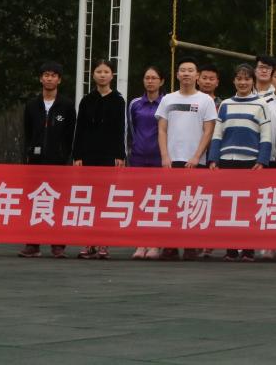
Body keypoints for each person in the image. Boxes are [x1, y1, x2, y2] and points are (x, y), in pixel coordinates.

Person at [208, 63, 273, 262]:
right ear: (234, 81)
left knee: (249, 206)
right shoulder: (225, 104)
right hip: (227, 161)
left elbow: (266, 135)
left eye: (247, 79)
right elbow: (217, 134)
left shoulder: (261, 104)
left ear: (253, 81)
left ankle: (248, 249)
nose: (243, 82)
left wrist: (262, 160)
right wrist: (213, 158)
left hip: (250, 162)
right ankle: (231, 249)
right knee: (228, 205)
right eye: (239, 78)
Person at [156, 58, 217, 261]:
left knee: (194, 202)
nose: (186, 74)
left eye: (191, 70)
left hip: (196, 160)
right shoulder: (168, 99)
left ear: (197, 75)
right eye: (183, 70)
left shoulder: (205, 100)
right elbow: (162, 129)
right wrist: (165, 155)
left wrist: (197, 155)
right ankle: (170, 245)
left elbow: (208, 130)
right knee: (171, 203)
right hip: (172, 159)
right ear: (177, 75)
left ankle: (191, 244)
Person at [72, 59, 127, 260]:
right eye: (98, 71)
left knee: (105, 199)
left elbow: (120, 129)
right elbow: (80, 129)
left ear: (112, 75)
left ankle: (104, 242)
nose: (102, 75)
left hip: (109, 155)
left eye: (106, 72)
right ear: (93, 74)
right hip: (88, 154)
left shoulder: (118, 100)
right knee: (88, 199)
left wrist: (120, 155)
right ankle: (89, 242)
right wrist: (77, 155)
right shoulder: (86, 100)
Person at [19, 61, 75, 258]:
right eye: (46, 75)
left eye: (53, 75)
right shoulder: (31, 105)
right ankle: (32, 244)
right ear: (40, 78)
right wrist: (28, 153)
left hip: (58, 162)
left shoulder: (66, 105)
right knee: (35, 201)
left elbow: (70, 134)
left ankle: (58, 245)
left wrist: (65, 155)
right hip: (35, 161)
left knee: (57, 201)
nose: (49, 79)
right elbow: (27, 132)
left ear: (59, 80)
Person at [128, 65, 166, 260]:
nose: (150, 81)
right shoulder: (135, 104)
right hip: (138, 158)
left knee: (157, 201)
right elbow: (130, 129)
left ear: (161, 81)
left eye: (154, 78)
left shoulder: (167, 102)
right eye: (147, 78)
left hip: (159, 158)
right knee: (140, 201)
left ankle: (155, 243)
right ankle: (140, 243)